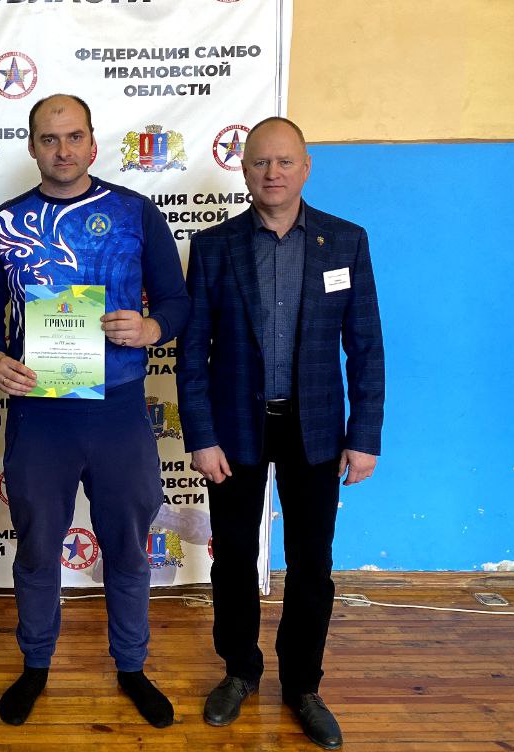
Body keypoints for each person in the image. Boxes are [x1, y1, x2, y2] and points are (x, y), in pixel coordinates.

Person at [0, 94, 190, 728]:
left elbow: (176, 303)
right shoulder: (5, 222)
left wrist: (150, 328)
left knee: (128, 547)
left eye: (73, 137)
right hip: (40, 414)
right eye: (48, 138)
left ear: (93, 143)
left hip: (117, 410)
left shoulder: (134, 212)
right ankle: (36, 662)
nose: (62, 150)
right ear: (32, 146)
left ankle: (132, 665)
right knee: (39, 547)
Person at [176, 116, 385, 750]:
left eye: (285, 161)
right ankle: (239, 672)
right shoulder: (214, 247)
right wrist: (201, 435)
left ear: (306, 167)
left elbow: (366, 347)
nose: (273, 173)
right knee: (235, 559)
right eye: (261, 162)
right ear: (244, 169)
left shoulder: (345, 241)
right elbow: (192, 353)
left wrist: (365, 435)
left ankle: (303, 687)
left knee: (313, 563)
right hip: (234, 429)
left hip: (316, 428)